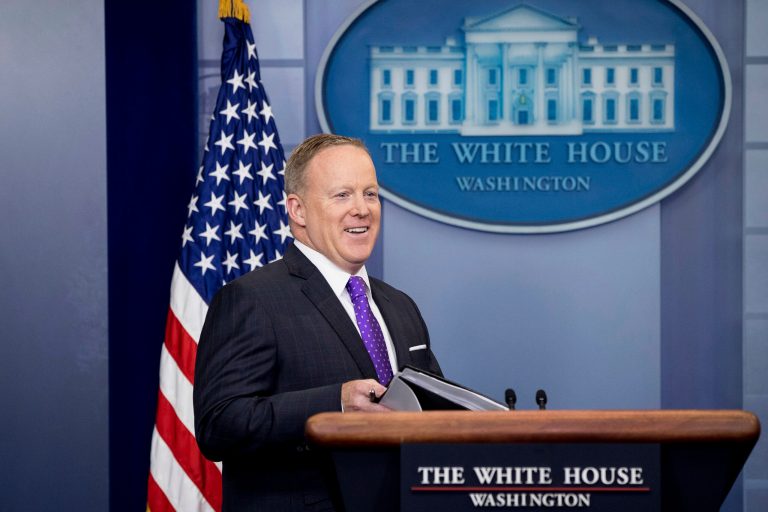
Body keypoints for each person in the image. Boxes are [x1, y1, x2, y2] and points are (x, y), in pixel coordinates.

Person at [193, 133, 442, 511]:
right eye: (342, 195)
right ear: (298, 210)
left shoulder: (400, 305)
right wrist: (334, 403)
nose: (361, 209)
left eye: (370, 194)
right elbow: (220, 424)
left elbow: (432, 412)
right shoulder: (252, 299)